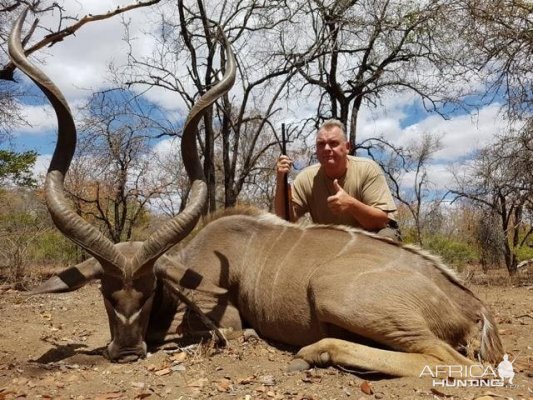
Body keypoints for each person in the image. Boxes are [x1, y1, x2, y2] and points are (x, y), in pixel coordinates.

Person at [275, 119, 401, 241]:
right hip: (332, 243)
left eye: (333, 143)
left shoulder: (368, 169)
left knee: (386, 237)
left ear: (347, 147)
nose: (326, 148)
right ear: (317, 150)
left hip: (371, 237)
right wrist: (281, 182)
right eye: (321, 144)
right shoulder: (306, 178)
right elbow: (285, 220)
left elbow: (382, 221)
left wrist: (351, 205)